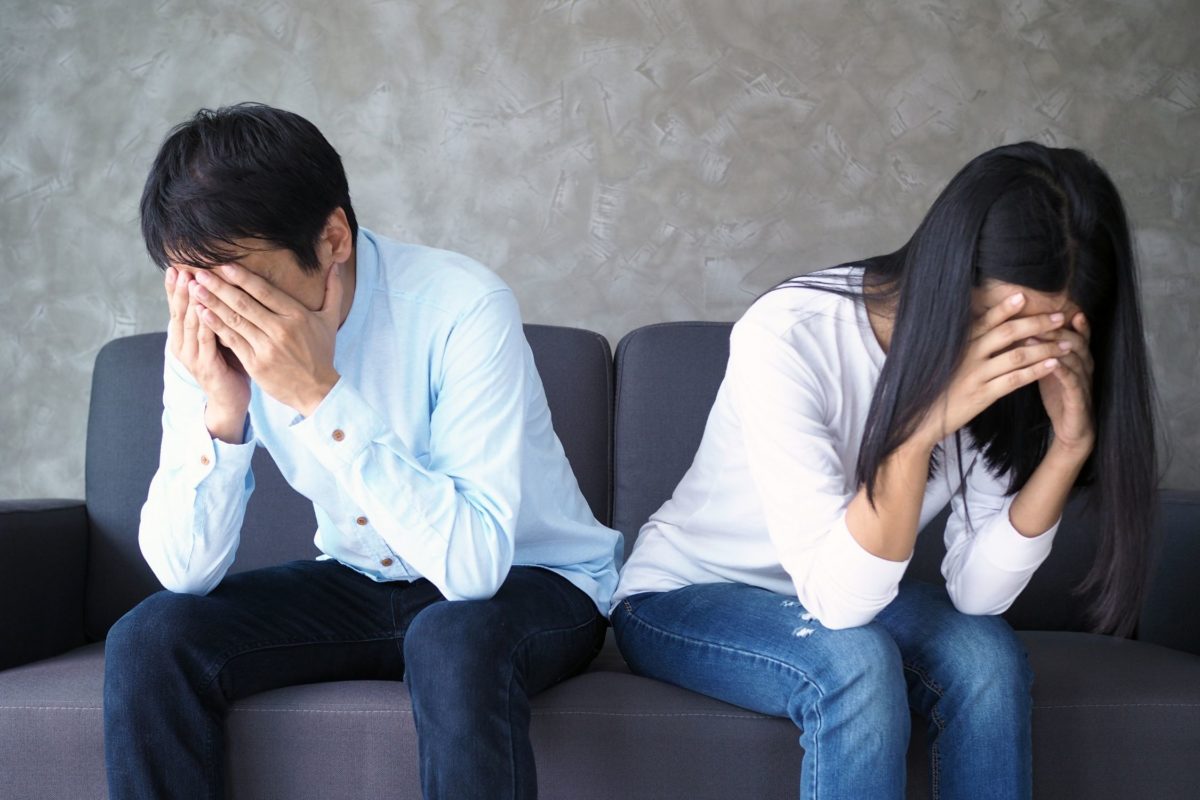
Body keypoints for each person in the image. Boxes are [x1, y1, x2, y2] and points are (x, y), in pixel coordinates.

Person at [103, 102, 622, 800]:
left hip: (531, 579)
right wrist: (223, 414)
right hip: (363, 579)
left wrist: (320, 395)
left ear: (334, 238)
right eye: (194, 281)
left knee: (451, 637)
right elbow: (183, 572)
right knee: (150, 638)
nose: (224, 308)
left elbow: (473, 569)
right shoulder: (202, 331)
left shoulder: (462, 305)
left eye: (244, 280)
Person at [610, 142, 1157, 799]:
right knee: (854, 664)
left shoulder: (1013, 382)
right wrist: (919, 430)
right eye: (999, 324)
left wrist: (1067, 449)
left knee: (988, 657)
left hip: (848, 593)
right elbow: (838, 603)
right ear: (948, 274)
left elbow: (980, 597)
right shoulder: (789, 334)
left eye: (1044, 336)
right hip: (686, 593)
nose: (1015, 353)